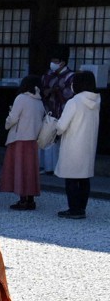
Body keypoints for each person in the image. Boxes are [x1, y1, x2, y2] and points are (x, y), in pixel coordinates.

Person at [54, 71, 101, 220]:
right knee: (84, 178)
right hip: (89, 145)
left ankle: (74, 209)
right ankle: (81, 208)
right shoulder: (96, 101)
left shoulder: (74, 102)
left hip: (73, 144)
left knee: (72, 178)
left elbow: (61, 126)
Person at [0, 75, 46, 210]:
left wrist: (7, 122)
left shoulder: (21, 98)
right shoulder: (39, 101)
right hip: (33, 139)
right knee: (30, 169)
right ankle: (30, 199)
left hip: (19, 138)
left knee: (19, 168)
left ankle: (23, 199)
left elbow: (13, 118)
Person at [40, 46, 76, 175]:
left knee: (63, 141)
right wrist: (48, 91)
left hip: (65, 111)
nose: (53, 64)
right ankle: (48, 167)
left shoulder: (71, 76)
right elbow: (42, 90)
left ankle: (62, 167)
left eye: (56, 61)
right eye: (52, 60)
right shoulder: (47, 75)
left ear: (63, 62)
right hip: (49, 111)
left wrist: (56, 90)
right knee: (48, 138)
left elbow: (70, 94)